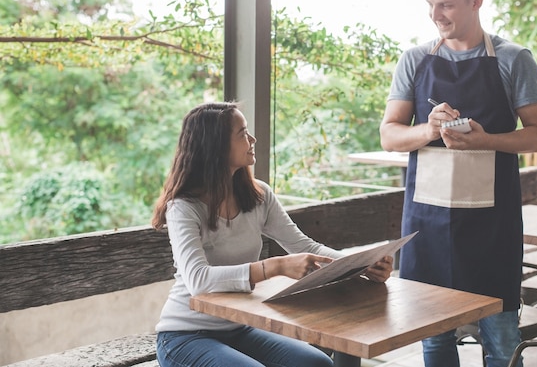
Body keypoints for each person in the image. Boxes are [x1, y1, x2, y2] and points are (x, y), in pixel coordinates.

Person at [379, 0, 537, 367]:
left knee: (502, 343)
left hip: (493, 226)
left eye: (446, 5)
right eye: (430, 4)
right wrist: (428, 130)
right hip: (428, 224)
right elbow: (389, 134)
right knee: (435, 344)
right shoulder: (415, 59)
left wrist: (485, 140)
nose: (435, 15)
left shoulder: (514, 60)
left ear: (476, 0)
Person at [152, 101, 393, 367]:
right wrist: (275, 266)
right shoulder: (184, 207)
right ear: (215, 146)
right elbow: (198, 280)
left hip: (239, 326)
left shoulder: (258, 195)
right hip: (186, 336)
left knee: (317, 363)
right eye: (242, 133)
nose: (252, 139)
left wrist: (361, 265)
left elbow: (304, 246)